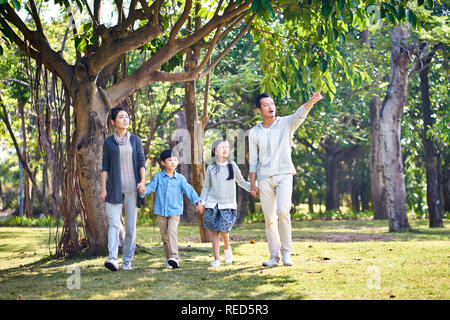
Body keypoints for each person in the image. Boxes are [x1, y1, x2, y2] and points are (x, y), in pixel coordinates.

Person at [249, 89, 323, 267]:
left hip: (284, 174)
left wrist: (311, 101)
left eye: (272, 103)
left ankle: (286, 253)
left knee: (283, 211)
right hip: (264, 177)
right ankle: (273, 257)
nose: (270, 107)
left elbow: (299, 115)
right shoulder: (253, 132)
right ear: (259, 109)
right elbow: (253, 159)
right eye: (266, 105)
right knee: (269, 219)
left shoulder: (285, 123)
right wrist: (253, 183)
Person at [139, 149, 203, 269]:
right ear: (163, 163)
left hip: (175, 211)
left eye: (175, 160)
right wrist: (143, 191)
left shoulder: (180, 179)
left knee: (171, 232)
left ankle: (175, 257)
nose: (173, 162)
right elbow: (150, 188)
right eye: (169, 160)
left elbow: (189, 190)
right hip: (161, 212)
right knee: (165, 237)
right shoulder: (158, 177)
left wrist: (197, 202)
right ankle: (170, 261)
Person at [101, 107, 146, 271]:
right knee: (114, 224)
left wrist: (142, 181)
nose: (125, 120)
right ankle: (112, 259)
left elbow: (142, 162)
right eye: (121, 117)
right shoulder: (108, 142)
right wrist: (103, 188)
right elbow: (105, 167)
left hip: (133, 190)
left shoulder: (135, 140)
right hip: (113, 189)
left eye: (127, 117)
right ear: (113, 122)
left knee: (131, 227)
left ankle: (127, 261)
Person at [198, 139, 252, 267]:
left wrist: (253, 188)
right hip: (213, 204)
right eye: (222, 147)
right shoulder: (211, 168)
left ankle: (227, 249)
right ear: (215, 151)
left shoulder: (232, 165)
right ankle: (216, 259)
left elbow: (241, 181)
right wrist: (202, 202)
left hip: (227, 204)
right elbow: (206, 187)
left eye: (227, 147)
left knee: (224, 230)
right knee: (214, 232)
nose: (225, 149)